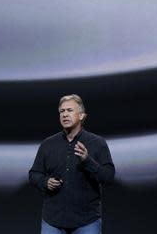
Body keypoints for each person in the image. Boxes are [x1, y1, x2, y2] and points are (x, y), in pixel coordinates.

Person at [29, 94, 115, 234]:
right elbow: (33, 174)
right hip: (53, 221)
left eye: (70, 110)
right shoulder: (48, 144)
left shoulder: (97, 143)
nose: (65, 115)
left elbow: (108, 177)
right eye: (62, 111)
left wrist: (88, 161)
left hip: (86, 221)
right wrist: (45, 181)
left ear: (81, 116)